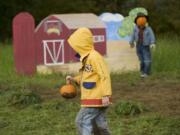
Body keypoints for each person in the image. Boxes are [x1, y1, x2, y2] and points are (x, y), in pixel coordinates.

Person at [66, 27, 112, 135]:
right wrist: (74, 79)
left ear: (82, 44)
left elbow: (104, 75)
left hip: (95, 98)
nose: (75, 49)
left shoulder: (94, 57)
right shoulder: (87, 59)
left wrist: (106, 94)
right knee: (99, 124)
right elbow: (87, 76)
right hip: (95, 98)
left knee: (81, 121)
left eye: (76, 46)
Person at [129, 12, 156, 78]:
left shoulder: (148, 29)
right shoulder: (135, 29)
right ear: (137, 21)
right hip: (138, 46)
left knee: (147, 60)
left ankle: (146, 73)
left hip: (146, 46)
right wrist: (131, 42)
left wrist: (152, 43)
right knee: (141, 60)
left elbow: (152, 36)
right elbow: (132, 36)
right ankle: (142, 72)